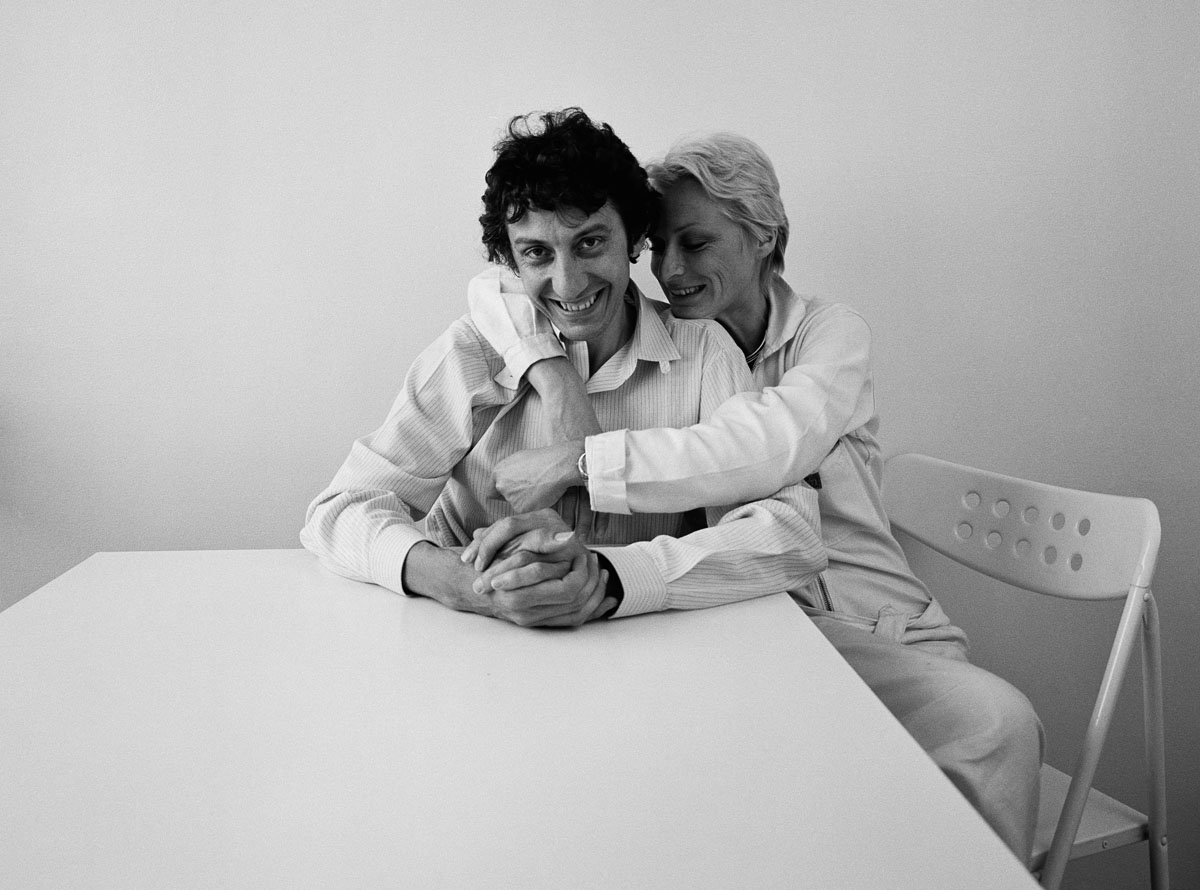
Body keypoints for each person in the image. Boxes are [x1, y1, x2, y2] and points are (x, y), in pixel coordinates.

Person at [465, 131, 1045, 862]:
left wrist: (579, 459)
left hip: (863, 621)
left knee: (988, 731)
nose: (672, 271)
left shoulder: (830, 337)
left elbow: (765, 448)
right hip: (736, 620)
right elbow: (493, 287)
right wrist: (549, 373)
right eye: (660, 246)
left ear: (765, 237)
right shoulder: (679, 343)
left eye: (697, 243)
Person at [300, 108, 826, 629]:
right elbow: (338, 511)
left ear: (636, 237)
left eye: (590, 243)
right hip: (468, 644)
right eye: (536, 253)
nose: (569, 284)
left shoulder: (705, 353)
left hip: (641, 652)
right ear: (510, 260)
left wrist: (608, 578)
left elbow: (787, 533)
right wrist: (470, 587)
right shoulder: (471, 353)